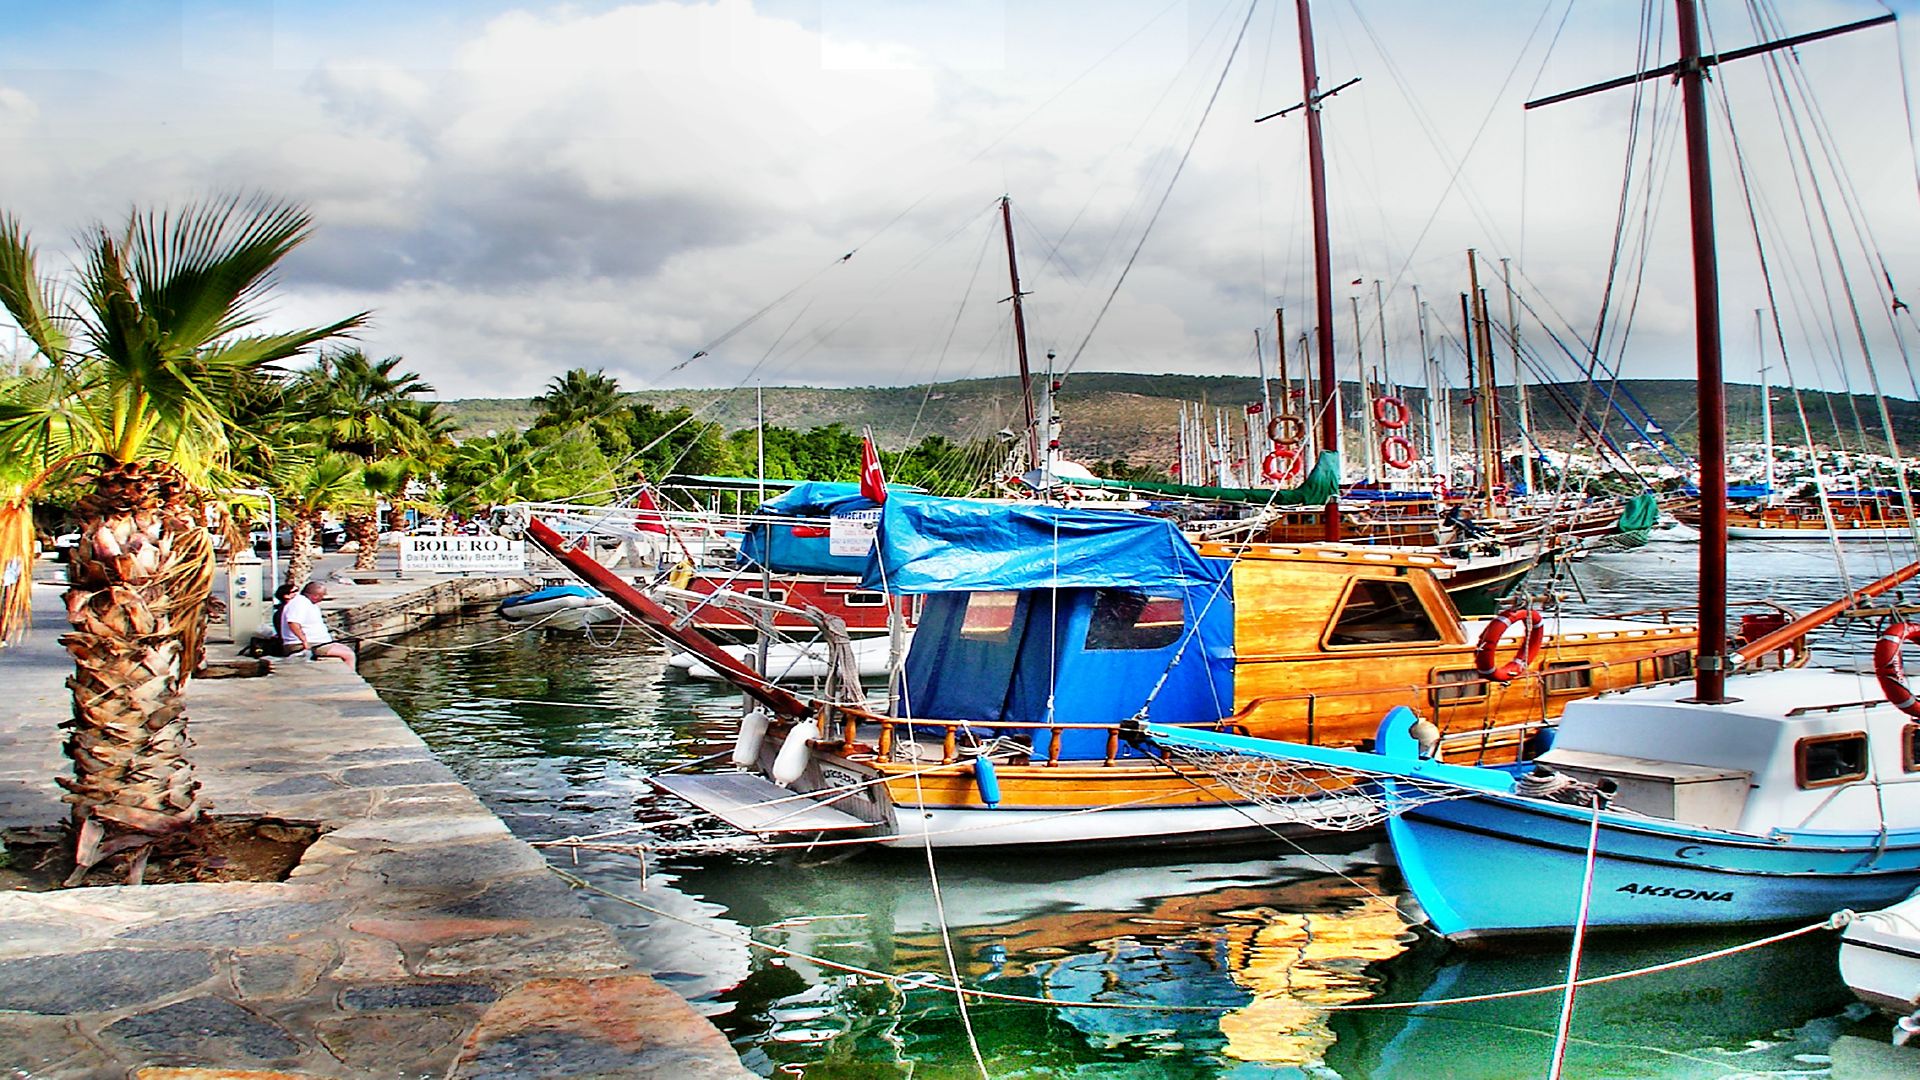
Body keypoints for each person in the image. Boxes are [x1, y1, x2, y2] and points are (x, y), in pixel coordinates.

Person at [280, 581, 356, 665]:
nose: (323, 598)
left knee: (346, 649)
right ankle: (346, 677)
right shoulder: (299, 603)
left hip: (317, 642)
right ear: (315, 596)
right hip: (301, 644)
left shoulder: (308, 603)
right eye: (322, 596)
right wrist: (304, 641)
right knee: (349, 655)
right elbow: (292, 623)